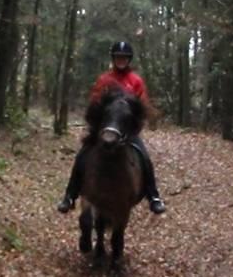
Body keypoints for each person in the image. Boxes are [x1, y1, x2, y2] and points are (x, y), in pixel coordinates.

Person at [57, 40, 167, 214]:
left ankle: (153, 197)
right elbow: (94, 103)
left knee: (144, 158)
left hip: (126, 132)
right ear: (113, 59)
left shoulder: (135, 81)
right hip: (105, 129)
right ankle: (70, 195)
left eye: (124, 58)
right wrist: (99, 127)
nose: (121, 61)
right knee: (83, 155)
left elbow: (142, 107)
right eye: (118, 57)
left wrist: (133, 129)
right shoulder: (105, 80)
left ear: (129, 59)